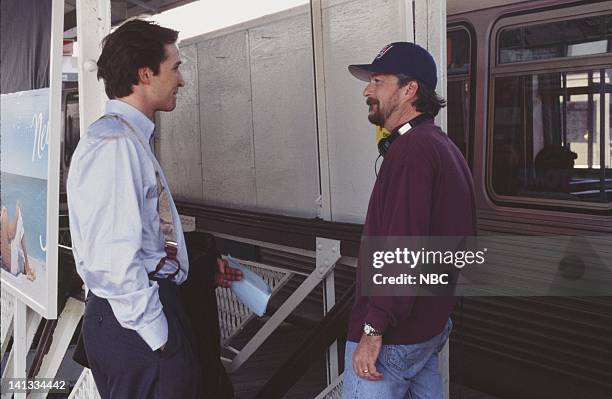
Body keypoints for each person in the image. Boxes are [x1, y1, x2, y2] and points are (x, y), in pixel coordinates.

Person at [67, 19, 240, 399]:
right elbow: (114, 262)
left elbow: (142, 239)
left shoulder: (124, 139)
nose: (181, 80)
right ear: (145, 74)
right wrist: (159, 336)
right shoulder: (115, 146)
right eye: (174, 67)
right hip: (137, 323)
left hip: (135, 317)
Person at [342, 42, 476, 399]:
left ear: (409, 89)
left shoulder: (411, 152)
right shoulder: (442, 146)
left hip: (393, 339)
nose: (368, 91)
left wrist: (374, 328)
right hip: (427, 328)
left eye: (378, 81)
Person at [0, 204, 35, 281]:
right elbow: (15, 235)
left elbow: (11, 234)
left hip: (10, 262)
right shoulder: (8, 212)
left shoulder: (7, 211)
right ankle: (26, 268)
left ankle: (26, 268)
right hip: (13, 262)